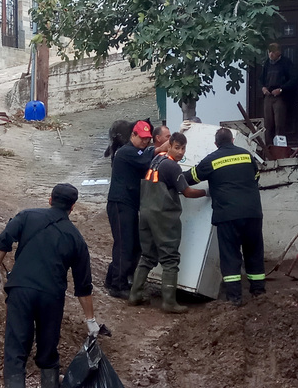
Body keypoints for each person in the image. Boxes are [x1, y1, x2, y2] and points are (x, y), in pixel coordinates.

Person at [0, 183, 100, 388]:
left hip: (22, 293)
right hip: (52, 298)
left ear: (50, 199)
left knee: (15, 354)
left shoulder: (27, 216)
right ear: (73, 207)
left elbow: (3, 241)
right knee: (48, 353)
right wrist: (90, 320)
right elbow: (84, 285)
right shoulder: (75, 238)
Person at [186, 128, 265, 306]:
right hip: (252, 213)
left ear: (216, 144)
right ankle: (259, 293)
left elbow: (190, 178)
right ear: (232, 140)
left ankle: (235, 299)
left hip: (228, 215)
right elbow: (256, 178)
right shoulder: (246, 156)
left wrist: (168, 175)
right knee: (254, 252)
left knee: (230, 256)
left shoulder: (211, 160)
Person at [129, 132, 206, 313]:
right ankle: (169, 302)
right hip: (163, 216)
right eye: (177, 147)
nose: (180, 152)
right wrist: (206, 192)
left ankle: (134, 295)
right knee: (170, 258)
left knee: (148, 256)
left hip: (146, 212)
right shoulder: (172, 167)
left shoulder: (156, 161)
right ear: (169, 146)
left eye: (183, 148)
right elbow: (186, 192)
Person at [104, 121, 168, 299]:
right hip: (120, 204)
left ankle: (113, 278)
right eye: (142, 138)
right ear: (133, 135)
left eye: (148, 139)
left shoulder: (136, 152)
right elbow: (150, 154)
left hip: (129, 204)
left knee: (131, 244)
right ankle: (118, 285)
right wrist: (171, 143)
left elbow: (148, 153)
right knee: (125, 244)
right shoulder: (127, 152)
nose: (145, 142)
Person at [260, 43, 298, 156]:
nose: (271, 54)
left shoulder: (286, 63)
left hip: (280, 97)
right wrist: (263, 88)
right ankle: (268, 149)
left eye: (273, 52)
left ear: (279, 53)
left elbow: (295, 78)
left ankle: (279, 150)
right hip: (268, 96)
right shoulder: (267, 64)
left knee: (279, 123)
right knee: (267, 124)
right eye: (269, 52)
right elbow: (260, 79)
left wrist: (282, 89)